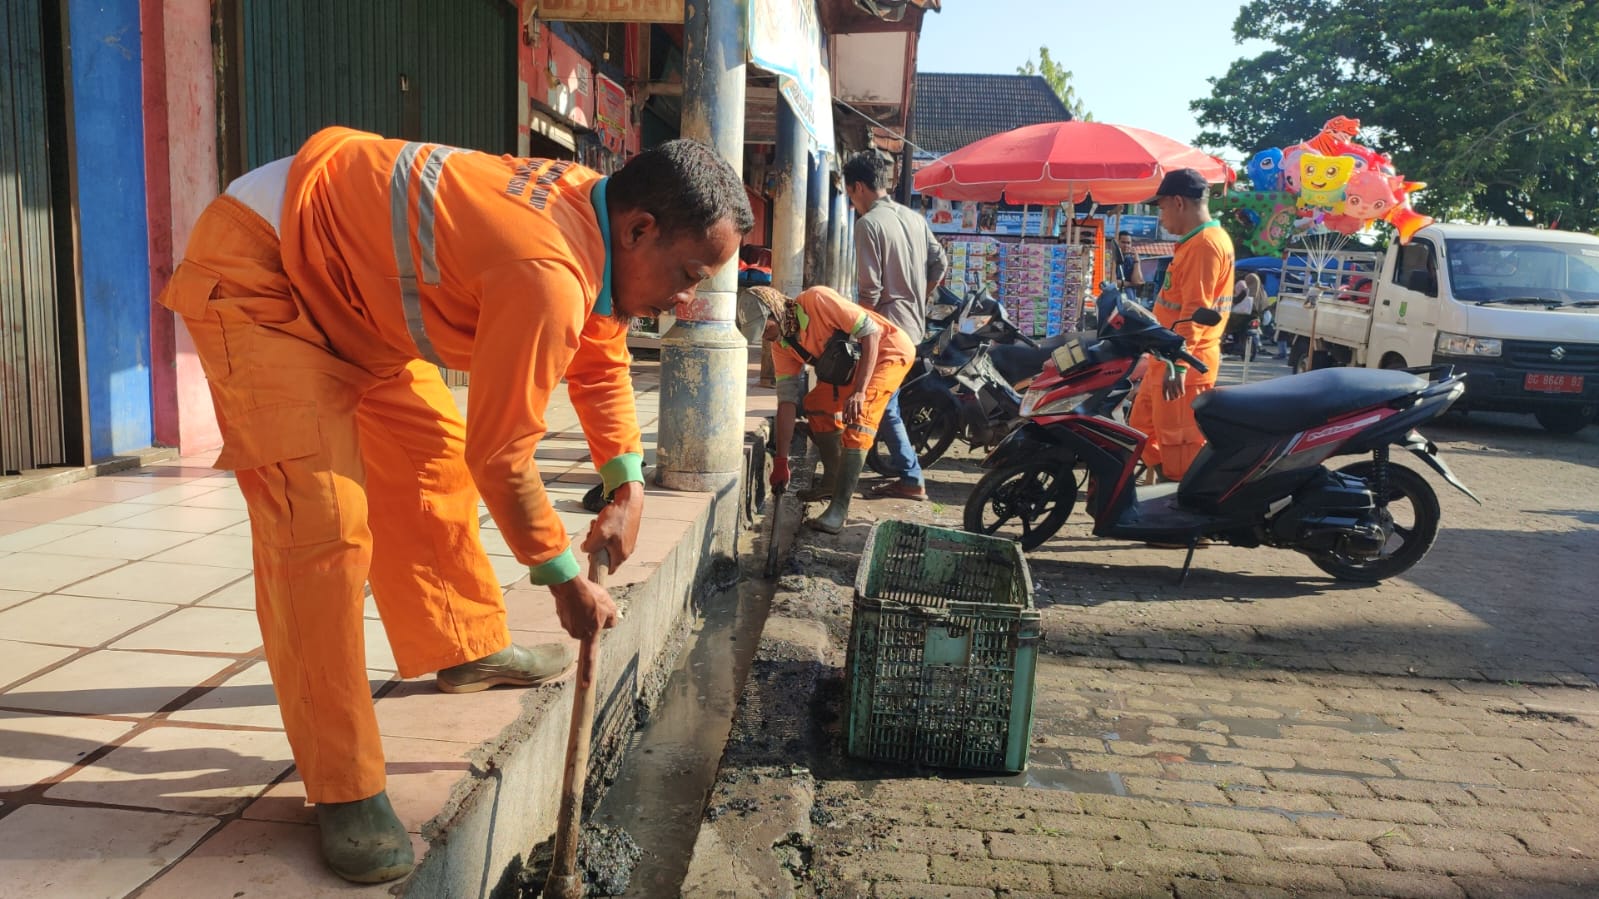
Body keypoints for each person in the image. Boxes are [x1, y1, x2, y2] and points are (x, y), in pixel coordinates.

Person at [157, 127, 751, 883]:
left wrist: (625, 480)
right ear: (639, 230)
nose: (687, 298)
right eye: (689, 274)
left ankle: (462, 646)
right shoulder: (546, 271)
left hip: (351, 295)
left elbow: (598, 349)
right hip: (264, 274)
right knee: (321, 530)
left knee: (431, 455)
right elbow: (501, 456)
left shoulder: (593, 210)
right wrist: (563, 576)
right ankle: (343, 786)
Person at [745, 284, 914, 533]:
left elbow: (871, 333)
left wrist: (859, 391)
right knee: (817, 404)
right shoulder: (781, 346)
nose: (765, 337)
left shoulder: (817, 300)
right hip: (851, 364)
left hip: (887, 351)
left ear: (775, 312)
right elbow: (787, 402)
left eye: (765, 329)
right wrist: (781, 461)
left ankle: (838, 511)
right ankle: (832, 482)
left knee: (860, 419)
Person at [843, 152, 948, 501]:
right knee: (888, 401)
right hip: (914, 327)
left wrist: (859, 334)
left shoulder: (868, 224)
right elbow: (940, 263)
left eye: (850, 194)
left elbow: (869, 291)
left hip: (886, 329)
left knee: (880, 401)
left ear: (858, 187)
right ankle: (904, 473)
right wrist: (918, 295)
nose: (852, 202)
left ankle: (910, 477)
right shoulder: (914, 218)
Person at [1126, 168, 1234, 484]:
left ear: (1178, 202)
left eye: (1161, 208)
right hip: (1168, 358)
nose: (1160, 218)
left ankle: (1178, 501)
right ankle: (1168, 490)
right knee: (1142, 428)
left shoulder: (1204, 245)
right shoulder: (1196, 243)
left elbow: (1195, 311)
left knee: (1179, 447)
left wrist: (1179, 365)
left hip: (1184, 363)